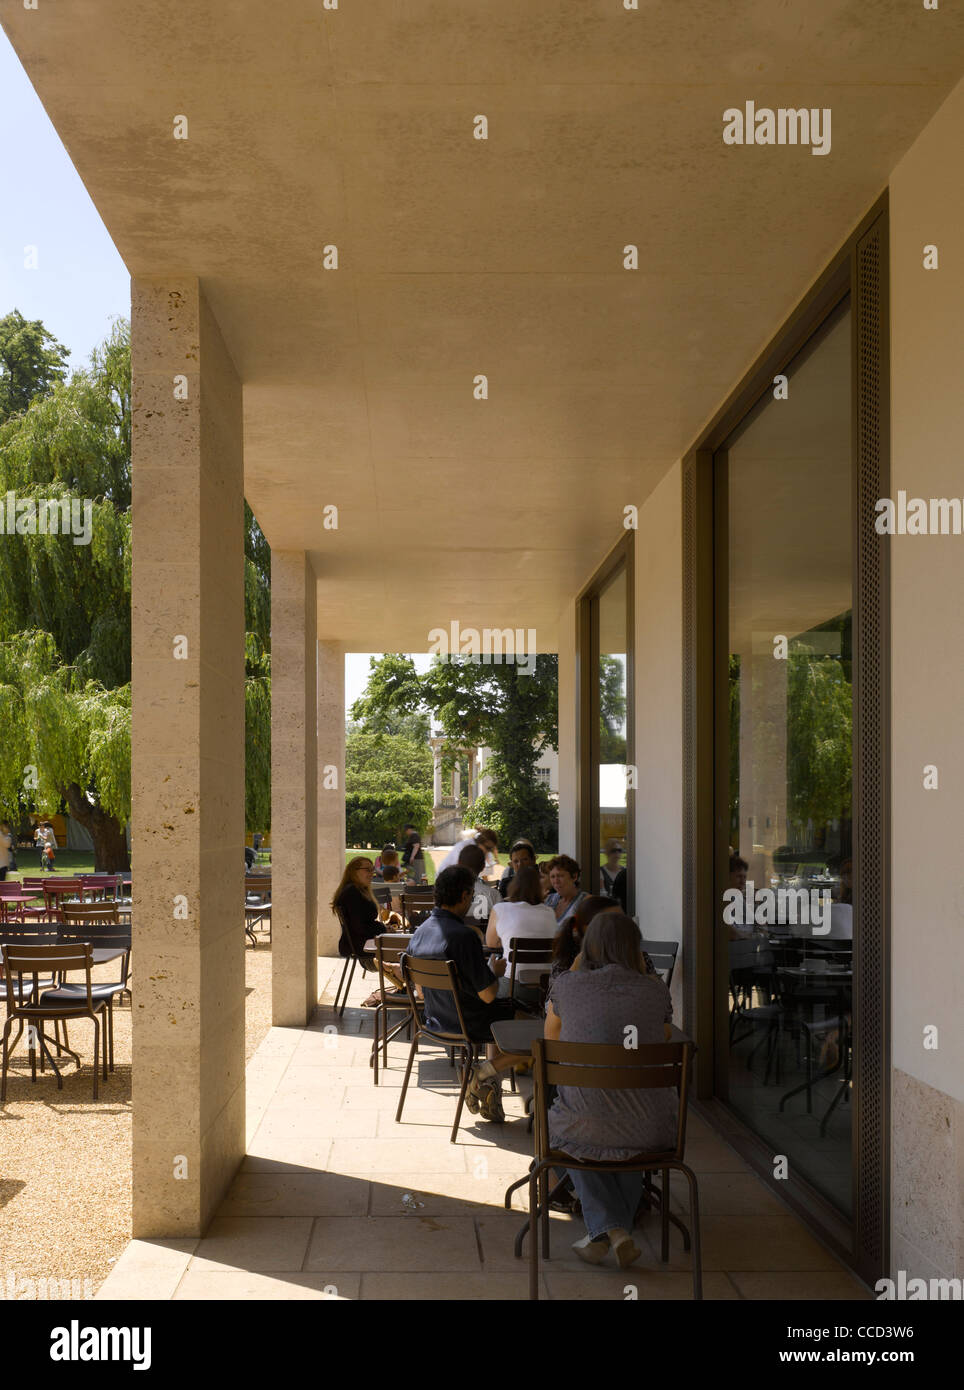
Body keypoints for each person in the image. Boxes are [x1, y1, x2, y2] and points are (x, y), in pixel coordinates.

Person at [545, 912, 676, 1269]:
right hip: (654, 1128)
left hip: (585, 1124)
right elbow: (663, 1037)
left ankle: (608, 1228)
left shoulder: (567, 985)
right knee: (625, 1120)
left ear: (588, 946)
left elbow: (550, 1041)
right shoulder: (654, 989)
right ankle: (618, 1230)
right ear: (636, 948)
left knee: (578, 1123)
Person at [407, 865, 523, 1122]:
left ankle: (487, 1087)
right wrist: (494, 971)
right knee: (538, 1030)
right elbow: (489, 996)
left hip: (434, 1020)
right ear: (463, 896)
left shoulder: (419, 934)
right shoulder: (463, 937)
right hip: (469, 1022)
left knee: (507, 1016)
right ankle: (482, 1073)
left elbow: (421, 993)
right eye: (470, 896)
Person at [485, 865, 557, 1005]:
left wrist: (506, 940)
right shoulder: (549, 912)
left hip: (512, 986)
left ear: (514, 886)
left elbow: (491, 943)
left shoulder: (500, 909)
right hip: (546, 987)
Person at [549, 893, 620, 986]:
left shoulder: (631, 955)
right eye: (610, 924)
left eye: (623, 922)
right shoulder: (567, 957)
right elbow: (553, 997)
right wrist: (576, 965)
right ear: (585, 927)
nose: (620, 928)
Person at [458, 843, 499, 932]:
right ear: (483, 867)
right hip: (485, 942)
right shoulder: (494, 895)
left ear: (458, 863)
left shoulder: (449, 893)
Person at [546, 854, 587, 925]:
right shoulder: (549, 900)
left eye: (560, 876)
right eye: (552, 877)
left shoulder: (585, 902)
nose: (556, 881)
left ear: (574, 877)